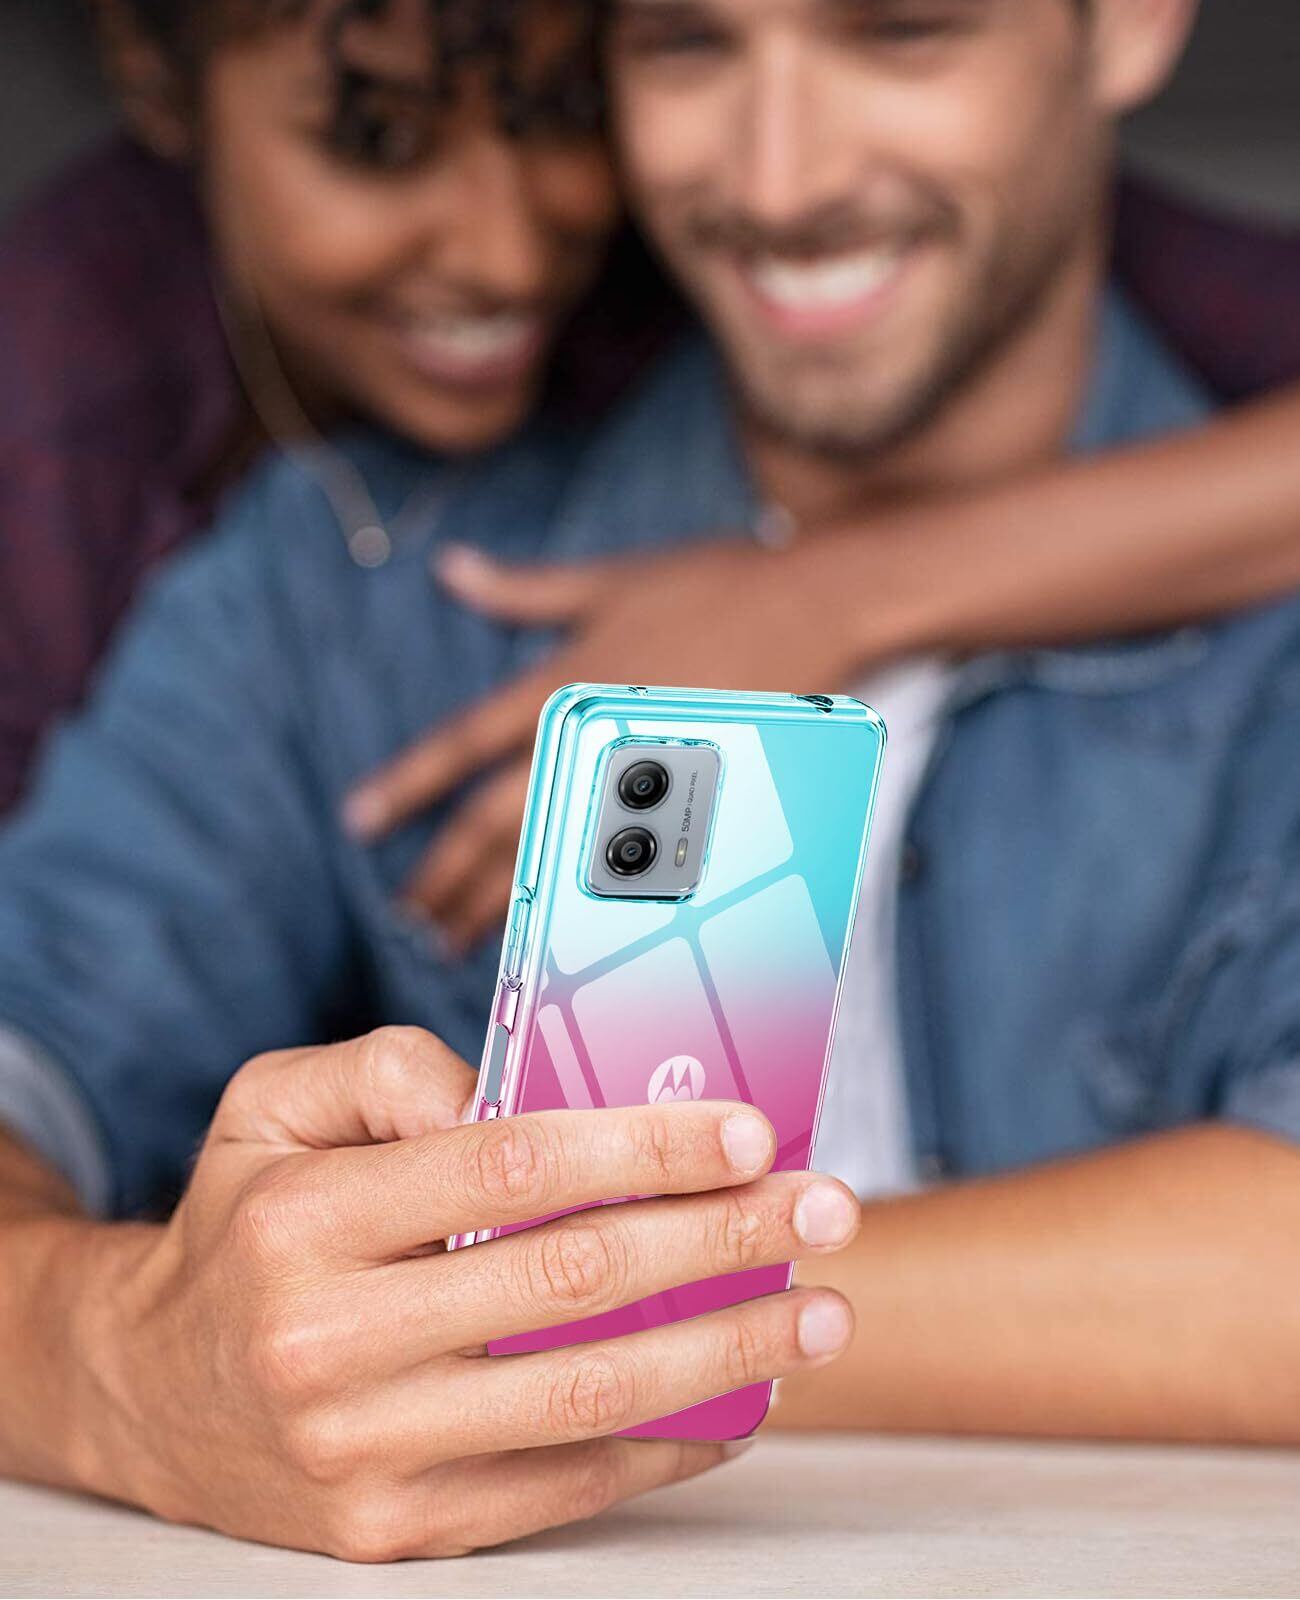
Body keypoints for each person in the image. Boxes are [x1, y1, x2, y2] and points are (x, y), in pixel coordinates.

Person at [1, 0, 1300, 1559]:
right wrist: (119, 1349)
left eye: (904, 34)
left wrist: (502, 1319)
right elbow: (31, 1054)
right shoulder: (349, 588)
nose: (779, 179)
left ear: (1133, 26)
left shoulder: (1270, 635)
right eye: (687, 46)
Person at [2, 3, 1300, 819]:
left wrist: (827, 597)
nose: (509, 257)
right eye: (380, 144)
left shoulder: (923, 239)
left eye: (558, 111)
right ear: (157, 90)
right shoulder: (60, 422)